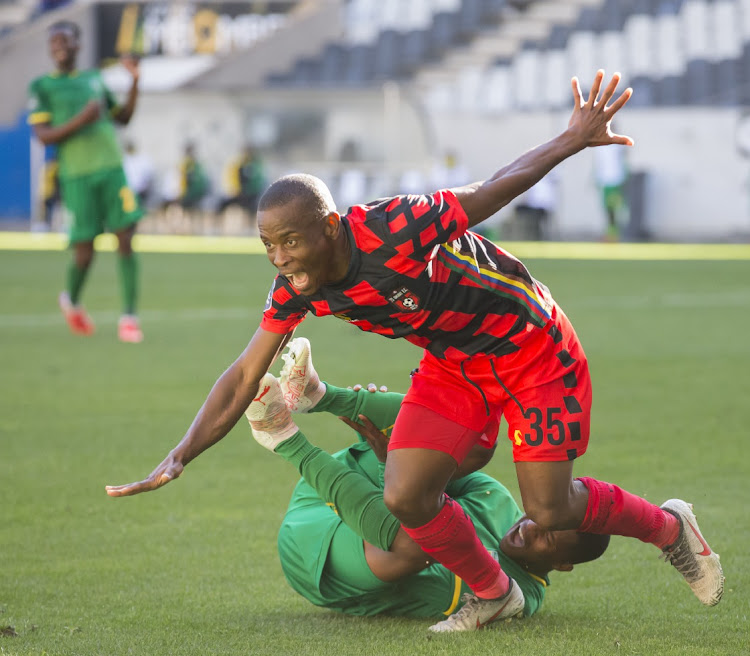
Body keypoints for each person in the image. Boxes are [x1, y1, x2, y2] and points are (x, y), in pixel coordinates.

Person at [105, 71, 724, 632]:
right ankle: (493, 592)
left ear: (330, 226)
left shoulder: (395, 226)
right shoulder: (297, 288)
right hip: (456, 362)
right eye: (269, 244)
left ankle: (670, 527)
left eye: (290, 241)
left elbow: (493, 189)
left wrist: (572, 138)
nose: (280, 258)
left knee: (549, 507)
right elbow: (245, 374)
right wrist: (181, 455)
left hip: (532, 347)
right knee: (405, 494)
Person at [245, 338, 610, 626]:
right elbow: (424, 478)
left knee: (423, 546)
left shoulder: (519, 594)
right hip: (331, 490)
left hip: (316, 557)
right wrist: (396, 457)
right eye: (538, 520)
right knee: (471, 443)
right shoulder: (495, 497)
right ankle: (319, 395)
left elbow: (405, 536)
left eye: (546, 538)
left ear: (563, 565)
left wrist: (388, 465)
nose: (527, 528)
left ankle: (282, 436)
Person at [28, 21, 144, 343]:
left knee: (125, 237)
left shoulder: (95, 79)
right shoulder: (42, 87)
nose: (59, 47)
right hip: (76, 175)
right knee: (85, 251)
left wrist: (135, 81)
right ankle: (72, 300)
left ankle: (129, 317)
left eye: (65, 41)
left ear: (78, 45)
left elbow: (122, 117)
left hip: (111, 168)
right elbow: (43, 136)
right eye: (54, 42)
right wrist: (83, 119)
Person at [593, 141, 629, 241]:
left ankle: (615, 234)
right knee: (607, 209)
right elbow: (598, 163)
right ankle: (610, 233)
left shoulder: (618, 145)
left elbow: (624, 159)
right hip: (605, 181)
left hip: (616, 181)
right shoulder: (600, 146)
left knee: (616, 208)